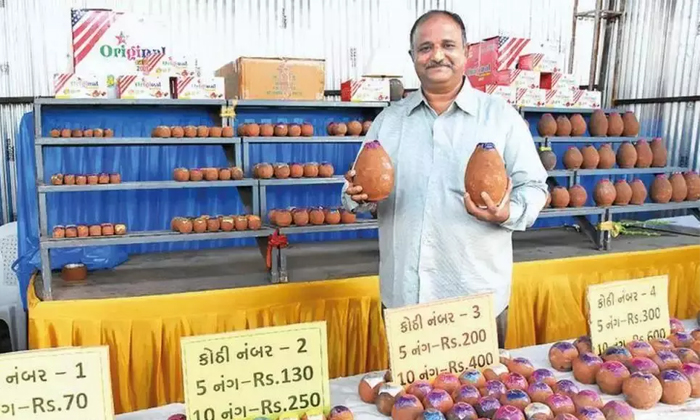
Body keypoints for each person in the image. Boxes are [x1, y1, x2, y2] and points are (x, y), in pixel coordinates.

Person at [340, 10, 548, 348]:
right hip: (404, 301)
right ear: (413, 58)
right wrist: (358, 197)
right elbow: (354, 189)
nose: (437, 55)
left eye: (448, 45)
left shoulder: (501, 118)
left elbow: (535, 188)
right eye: (425, 48)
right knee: (407, 399)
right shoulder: (389, 123)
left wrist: (507, 212)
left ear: (466, 52)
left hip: (475, 301)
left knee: (478, 398)